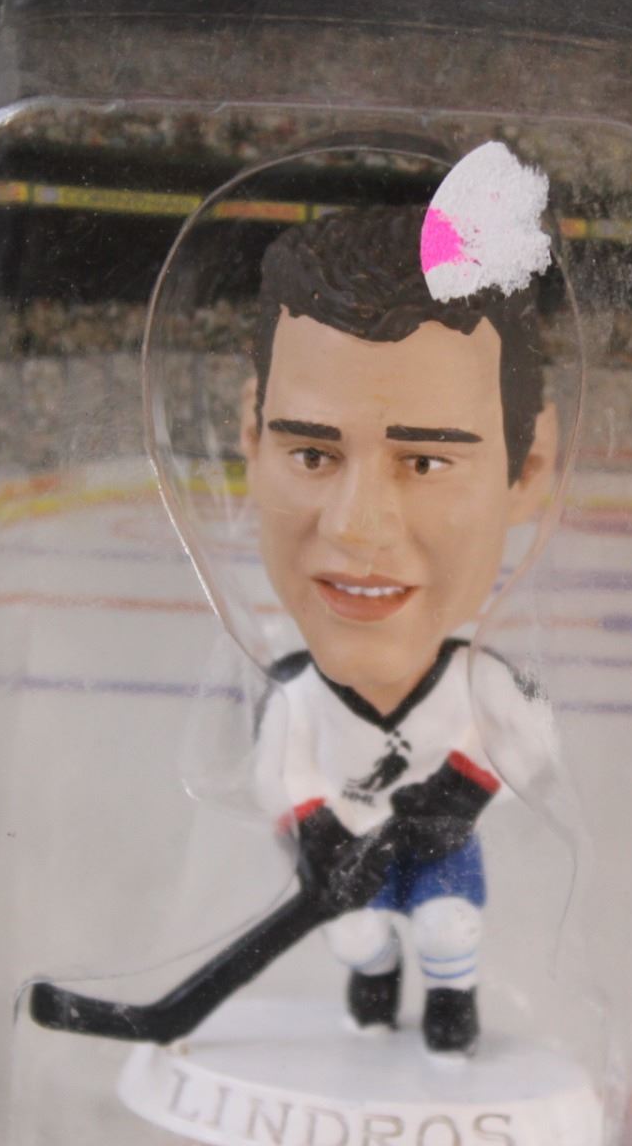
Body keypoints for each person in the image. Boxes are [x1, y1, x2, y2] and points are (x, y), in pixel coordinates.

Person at [240, 204, 559, 1055]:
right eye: (313, 454)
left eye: (425, 462)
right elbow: (280, 773)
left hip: (436, 846)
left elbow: (524, 741)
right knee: (355, 934)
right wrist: (317, 830)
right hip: (350, 852)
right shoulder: (298, 697)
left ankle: (451, 1009)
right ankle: (372, 993)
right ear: (251, 438)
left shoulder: (479, 685)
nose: (357, 528)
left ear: (528, 467)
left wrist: (459, 794)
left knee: (451, 925)